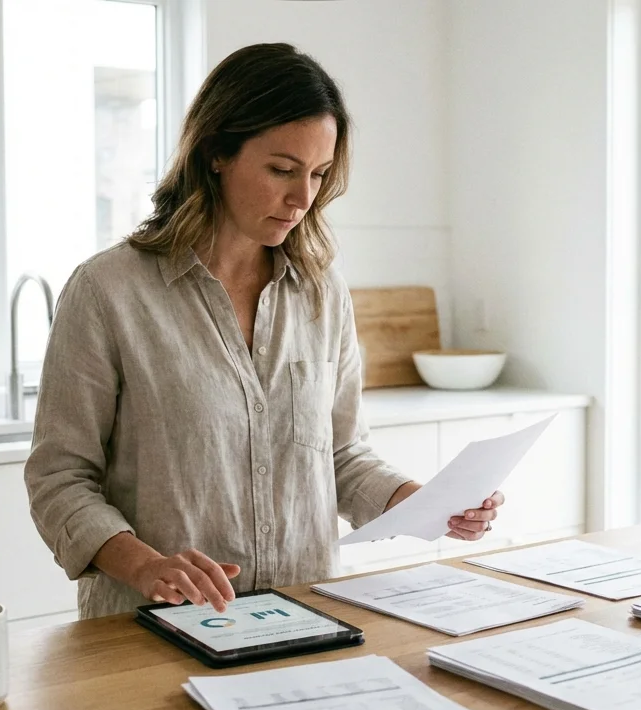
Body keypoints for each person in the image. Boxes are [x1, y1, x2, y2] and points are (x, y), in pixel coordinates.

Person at [25, 42, 504, 620]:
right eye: (282, 170)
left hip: (303, 614)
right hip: (154, 630)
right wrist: (144, 565)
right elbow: (60, 478)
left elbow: (342, 454)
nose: (303, 198)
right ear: (216, 153)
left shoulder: (322, 292)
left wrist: (419, 502)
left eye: (319, 175)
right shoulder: (109, 292)